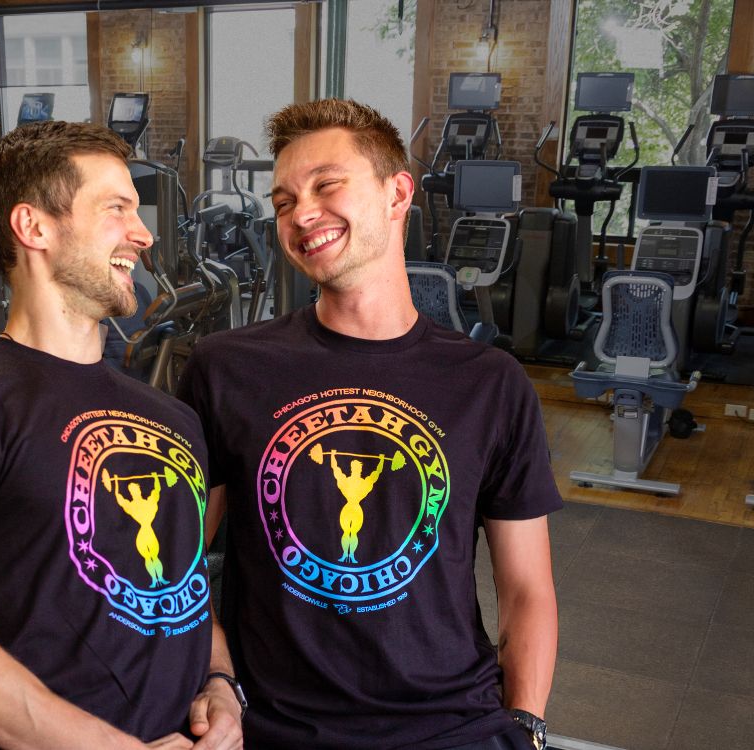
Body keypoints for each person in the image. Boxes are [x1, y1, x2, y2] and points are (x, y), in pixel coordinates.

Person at [177, 99, 561, 750]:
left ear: (397, 193)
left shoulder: (489, 383)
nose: (301, 213)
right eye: (283, 201)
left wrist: (524, 726)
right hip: (275, 727)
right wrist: (216, 680)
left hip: (453, 726)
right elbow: (173, 571)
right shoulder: (226, 370)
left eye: (327, 185)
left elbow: (527, 589)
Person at [0, 120, 243, 750]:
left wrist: (221, 685)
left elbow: (184, 592)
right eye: (117, 209)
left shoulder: (173, 419)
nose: (144, 232)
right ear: (34, 228)